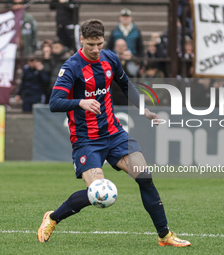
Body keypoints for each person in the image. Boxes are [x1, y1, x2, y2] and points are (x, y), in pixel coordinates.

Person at [37, 19, 191, 247]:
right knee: (97, 193)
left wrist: (144, 110)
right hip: (87, 139)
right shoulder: (71, 67)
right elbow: (54, 102)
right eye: (90, 44)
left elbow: (126, 84)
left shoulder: (110, 58)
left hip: (114, 132)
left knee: (145, 177)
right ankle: (52, 217)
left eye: (99, 43)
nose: (95, 49)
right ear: (81, 40)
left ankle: (164, 236)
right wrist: (81, 102)